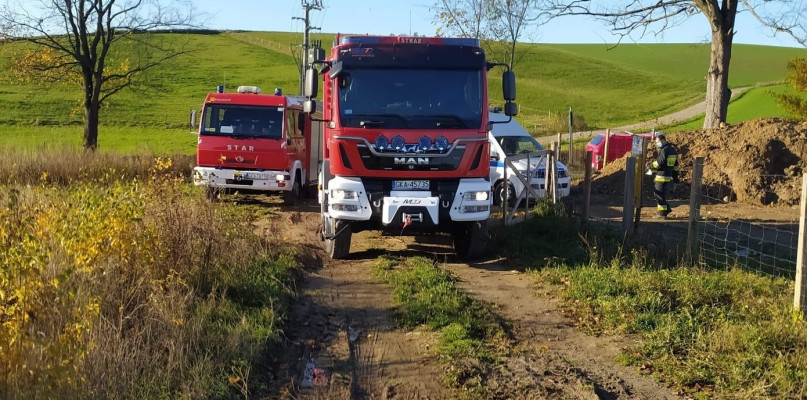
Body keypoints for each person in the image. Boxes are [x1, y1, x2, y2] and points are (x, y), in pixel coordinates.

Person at [649, 133, 679, 218]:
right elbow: (676, 166)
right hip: (668, 176)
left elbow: (659, 163)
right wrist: (675, 177)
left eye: (658, 142)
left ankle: (662, 213)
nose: (657, 144)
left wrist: (650, 167)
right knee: (662, 194)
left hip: (661, 176)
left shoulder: (664, 150)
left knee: (658, 194)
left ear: (663, 140)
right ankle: (667, 209)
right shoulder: (673, 150)